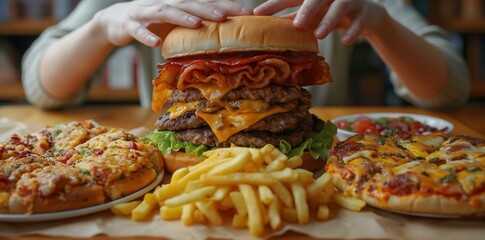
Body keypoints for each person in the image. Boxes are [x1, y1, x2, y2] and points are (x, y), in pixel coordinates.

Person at [22, 0, 470, 109]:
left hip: (315, 174)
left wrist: (378, 20)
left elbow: (448, 86)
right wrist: (103, 26)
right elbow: (43, 87)